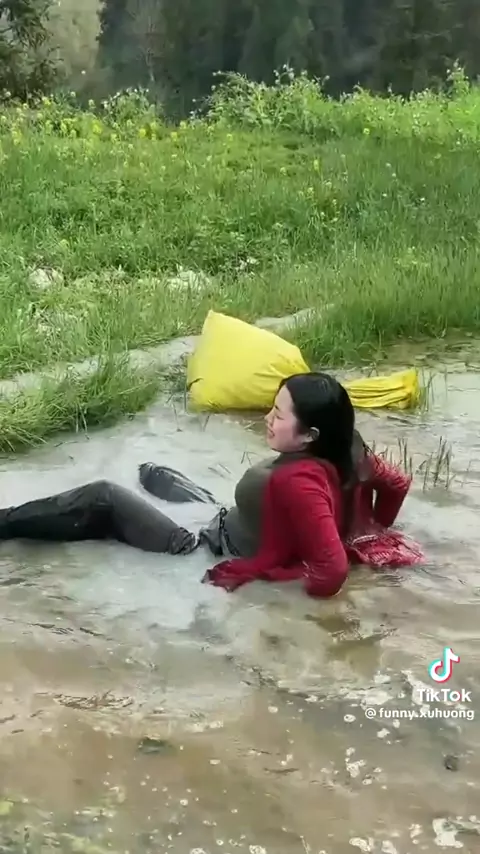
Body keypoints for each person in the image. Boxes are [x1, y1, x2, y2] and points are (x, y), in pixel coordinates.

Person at [0, 372, 424, 598]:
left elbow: (330, 572)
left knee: (104, 497)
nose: (267, 419)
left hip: (203, 548)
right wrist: (370, 532)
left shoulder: (302, 486)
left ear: (310, 435)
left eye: (278, 415)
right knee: (154, 472)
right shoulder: (350, 451)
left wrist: (291, 578)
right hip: (224, 518)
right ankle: (150, 474)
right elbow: (397, 483)